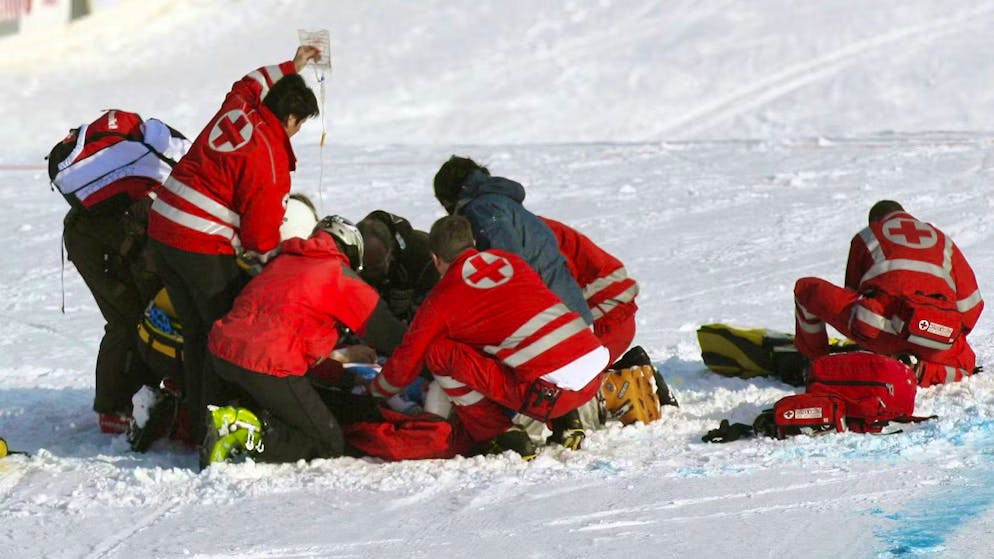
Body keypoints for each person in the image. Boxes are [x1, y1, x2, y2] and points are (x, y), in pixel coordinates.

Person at [147, 46, 321, 441]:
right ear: (290, 118)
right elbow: (260, 238)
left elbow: (251, 80)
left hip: (161, 228)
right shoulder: (270, 157)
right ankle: (215, 425)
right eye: (299, 125)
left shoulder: (240, 104)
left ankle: (194, 420)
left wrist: (292, 65)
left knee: (194, 332)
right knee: (221, 337)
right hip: (197, 243)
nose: (296, 133)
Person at [368, 215, 610, 459]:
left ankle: (500, 434)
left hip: (549, 395)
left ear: (435, 259)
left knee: (439, 353)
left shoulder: (442, 298)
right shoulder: (511, 261)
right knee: (526, 343)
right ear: (472, 241)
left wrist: (377, 390)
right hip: (591, 374)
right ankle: (567, 423)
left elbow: (408, 359)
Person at [203, 216, 407, 467]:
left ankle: (236, 422)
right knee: (329, 442)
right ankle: (244, 435)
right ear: (353, 254)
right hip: (267, 365)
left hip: (222, 353)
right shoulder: (339, 276)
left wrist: (340, 377)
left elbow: (293, 342)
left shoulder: (283, 261)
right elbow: (389, 335)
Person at [47, 109, 190, 433]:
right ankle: (113, 407)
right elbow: (147, 266)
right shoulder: (169, 188)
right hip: (94, 240)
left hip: (110, 228)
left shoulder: (169, 159)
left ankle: (146, 387)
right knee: (129, 319)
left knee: (148, 312)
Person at [794, 200, 983, 387]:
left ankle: (815, 362)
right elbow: (971, 307)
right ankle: (919, 371)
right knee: (966, 363)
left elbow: (852, 293)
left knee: (806, 289)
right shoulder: (944, 241)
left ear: (875, 221)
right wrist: (948, 335)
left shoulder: (868, 235)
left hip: (880, 330)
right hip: (937, 335)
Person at [432, 156, 593, 326]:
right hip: (572, 313)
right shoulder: (501, 202)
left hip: (554, 323)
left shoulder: (482, 209)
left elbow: (508, 266)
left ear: (449, 196)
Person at [540, 216, 639, 365]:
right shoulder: (522, 226)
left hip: (603, 322)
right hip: (612, 316)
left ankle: (621, 384)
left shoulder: (518, 237)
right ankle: (630, 378)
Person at [356, 210, 439, 322]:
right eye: (363, 268)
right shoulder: (347, 261)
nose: (368, 274)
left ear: (390, 255)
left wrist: (412, 305)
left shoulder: (425, 255)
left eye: (376, 268)